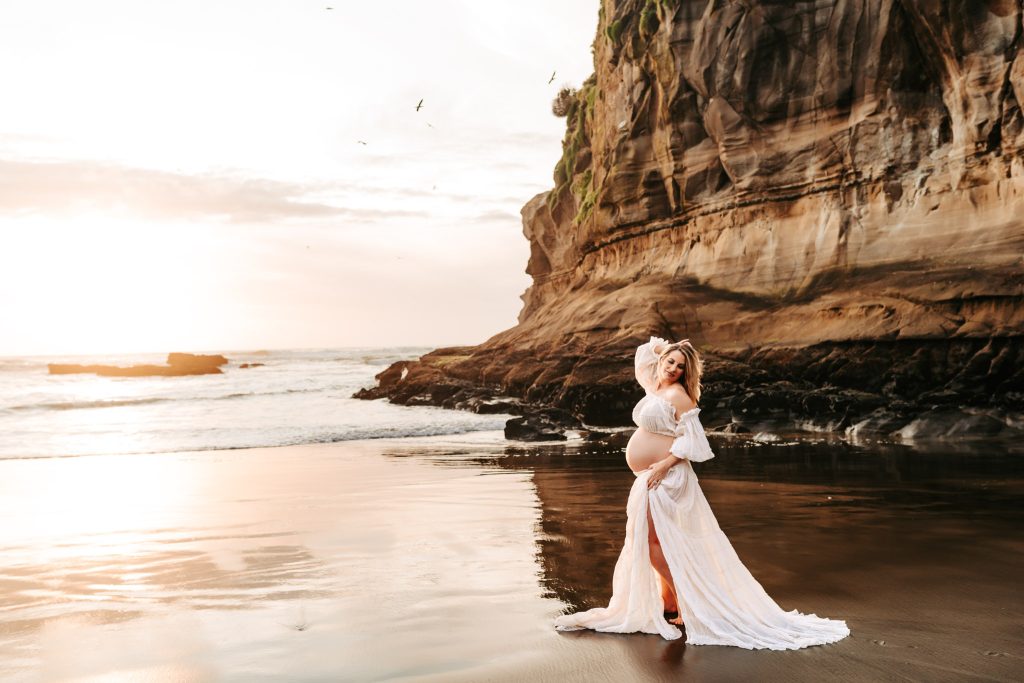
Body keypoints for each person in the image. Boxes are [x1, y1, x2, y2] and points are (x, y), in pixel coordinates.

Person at [554, 336, 850, 648]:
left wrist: (663, 466)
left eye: (680, 366)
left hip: (666, 478)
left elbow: (692, 443)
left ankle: (684, 601)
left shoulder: (680, 396)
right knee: (658, 539)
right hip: (653, 475)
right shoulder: (654, 385)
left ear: (686, 372)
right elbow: (643, 355)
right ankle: (669, 603)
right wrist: (669, 347)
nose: (672, 368)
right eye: (670, 362)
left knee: (651, 540)